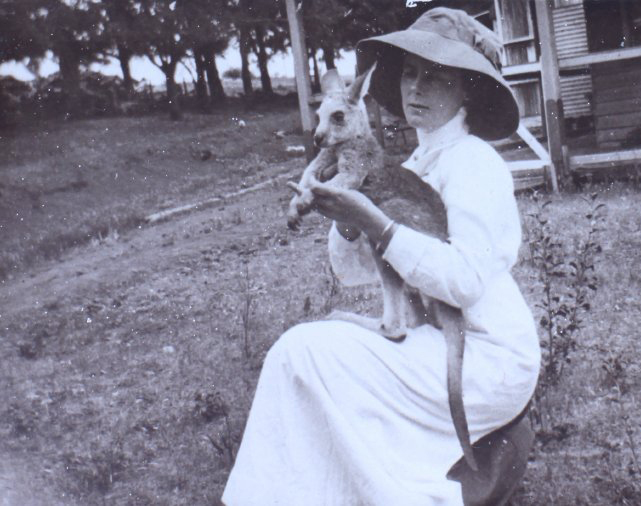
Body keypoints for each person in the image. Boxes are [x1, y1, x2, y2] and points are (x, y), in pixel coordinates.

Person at [222, 7, 540, 505]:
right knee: (305, 347)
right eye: (410, 74)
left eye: (436, 78)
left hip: (485, 354)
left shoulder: (475, 162)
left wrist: (377, 221)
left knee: (305, 353)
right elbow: (352, 272)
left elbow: (464, 282)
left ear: (466, 91)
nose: (416, 89)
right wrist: (348, 219)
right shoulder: (411, 163)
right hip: (428, 335)